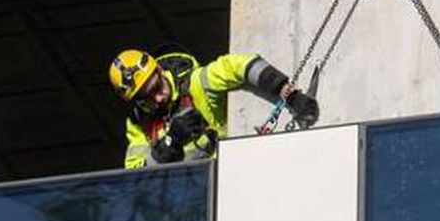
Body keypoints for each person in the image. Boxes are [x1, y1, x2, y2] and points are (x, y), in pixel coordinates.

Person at [109, 49, 319, 169]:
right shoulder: (139, 124)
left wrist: (288, 93)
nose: (157, 98)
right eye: (146, 99)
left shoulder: (197, 83)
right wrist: (170, 143)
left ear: (160, 71)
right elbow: (135, 177)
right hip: (187, 201)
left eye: (156, 87)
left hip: (226, 175)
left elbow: (239, 65)